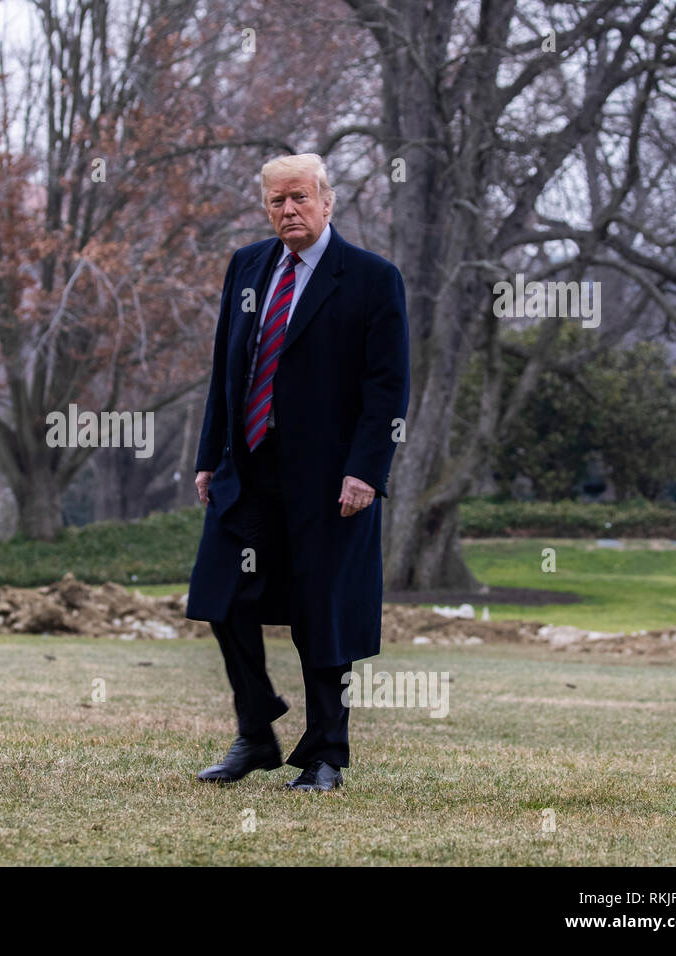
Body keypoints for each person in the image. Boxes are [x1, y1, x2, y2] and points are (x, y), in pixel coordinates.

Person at [185, 153, 410, 792]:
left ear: (327, 201)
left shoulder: (371, 279)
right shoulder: (247, 267)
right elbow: (228, 368)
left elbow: (388, 387)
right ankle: (257, 731)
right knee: (220, 595)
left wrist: (367, 470)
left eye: (300, 198)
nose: (289, 210)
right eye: (277, 201)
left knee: (323, 612)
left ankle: (325, 755)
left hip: (330, 480)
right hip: (248, 469)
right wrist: (210, 455)